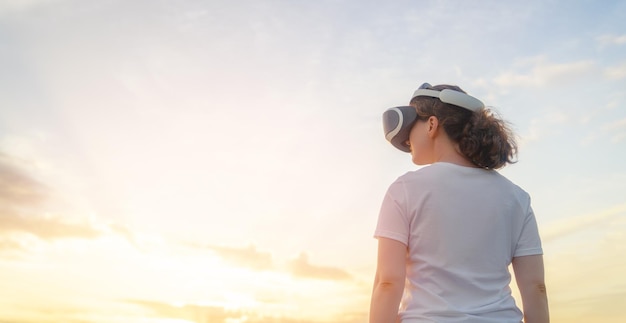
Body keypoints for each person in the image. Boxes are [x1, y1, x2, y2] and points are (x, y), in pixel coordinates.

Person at [369, 83, 549, 323]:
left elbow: (387, 281)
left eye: (413, 126)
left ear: (432, 125)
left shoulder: (404, 189)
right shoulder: (516, 197)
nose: (407, 139)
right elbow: (536, 287)